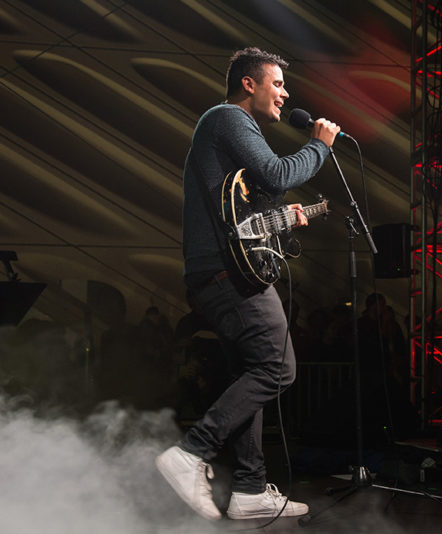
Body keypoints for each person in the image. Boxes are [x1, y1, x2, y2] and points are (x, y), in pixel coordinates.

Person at [155, 47, 341, 521]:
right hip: (226, 272)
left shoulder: (232, 135)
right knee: (279, 368)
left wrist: (281, 218)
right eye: (277, 83)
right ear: (249, 85)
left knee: (252, 371)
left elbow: (249, 208)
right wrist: (320, 145)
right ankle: (190, 452)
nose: (285, 94)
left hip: (220, 267)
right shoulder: (226, 118)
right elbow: (278, 172)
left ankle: (250, 487)